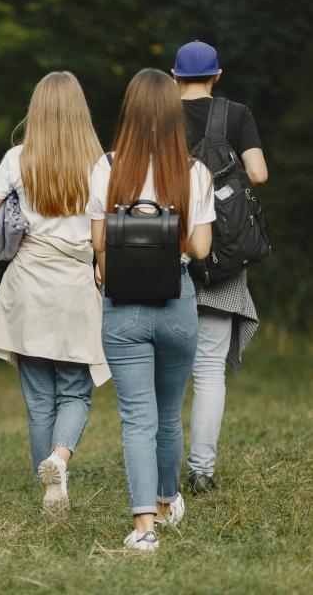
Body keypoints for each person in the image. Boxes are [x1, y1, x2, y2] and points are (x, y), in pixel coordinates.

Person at [87, 68, 215, 551]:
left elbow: (99, 240)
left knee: (136, 416)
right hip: (177, 300)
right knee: (167, 413)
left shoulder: (107, 167)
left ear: (130, 111)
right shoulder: (195, 171)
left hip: (122, 306)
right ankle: (166, 501)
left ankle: (144, 527)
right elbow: (200, 248)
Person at [0, 71, 110, 515]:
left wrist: (11, 208)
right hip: (75, 284)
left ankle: (49, 487)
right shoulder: (100, 164)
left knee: (37, 397)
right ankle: (60, 459)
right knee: (74, 390)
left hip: (28, 284)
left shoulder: (17, 158)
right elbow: (103, 233)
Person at [171, 40, 267, 496]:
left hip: (163, 259)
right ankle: (201, 472)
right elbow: (260, 174)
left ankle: (157, 469)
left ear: (173, 76)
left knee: (163, 370)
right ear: (217, 74)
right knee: (208, 369)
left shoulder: (157, 115)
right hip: (222, 260)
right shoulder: (236, 113)